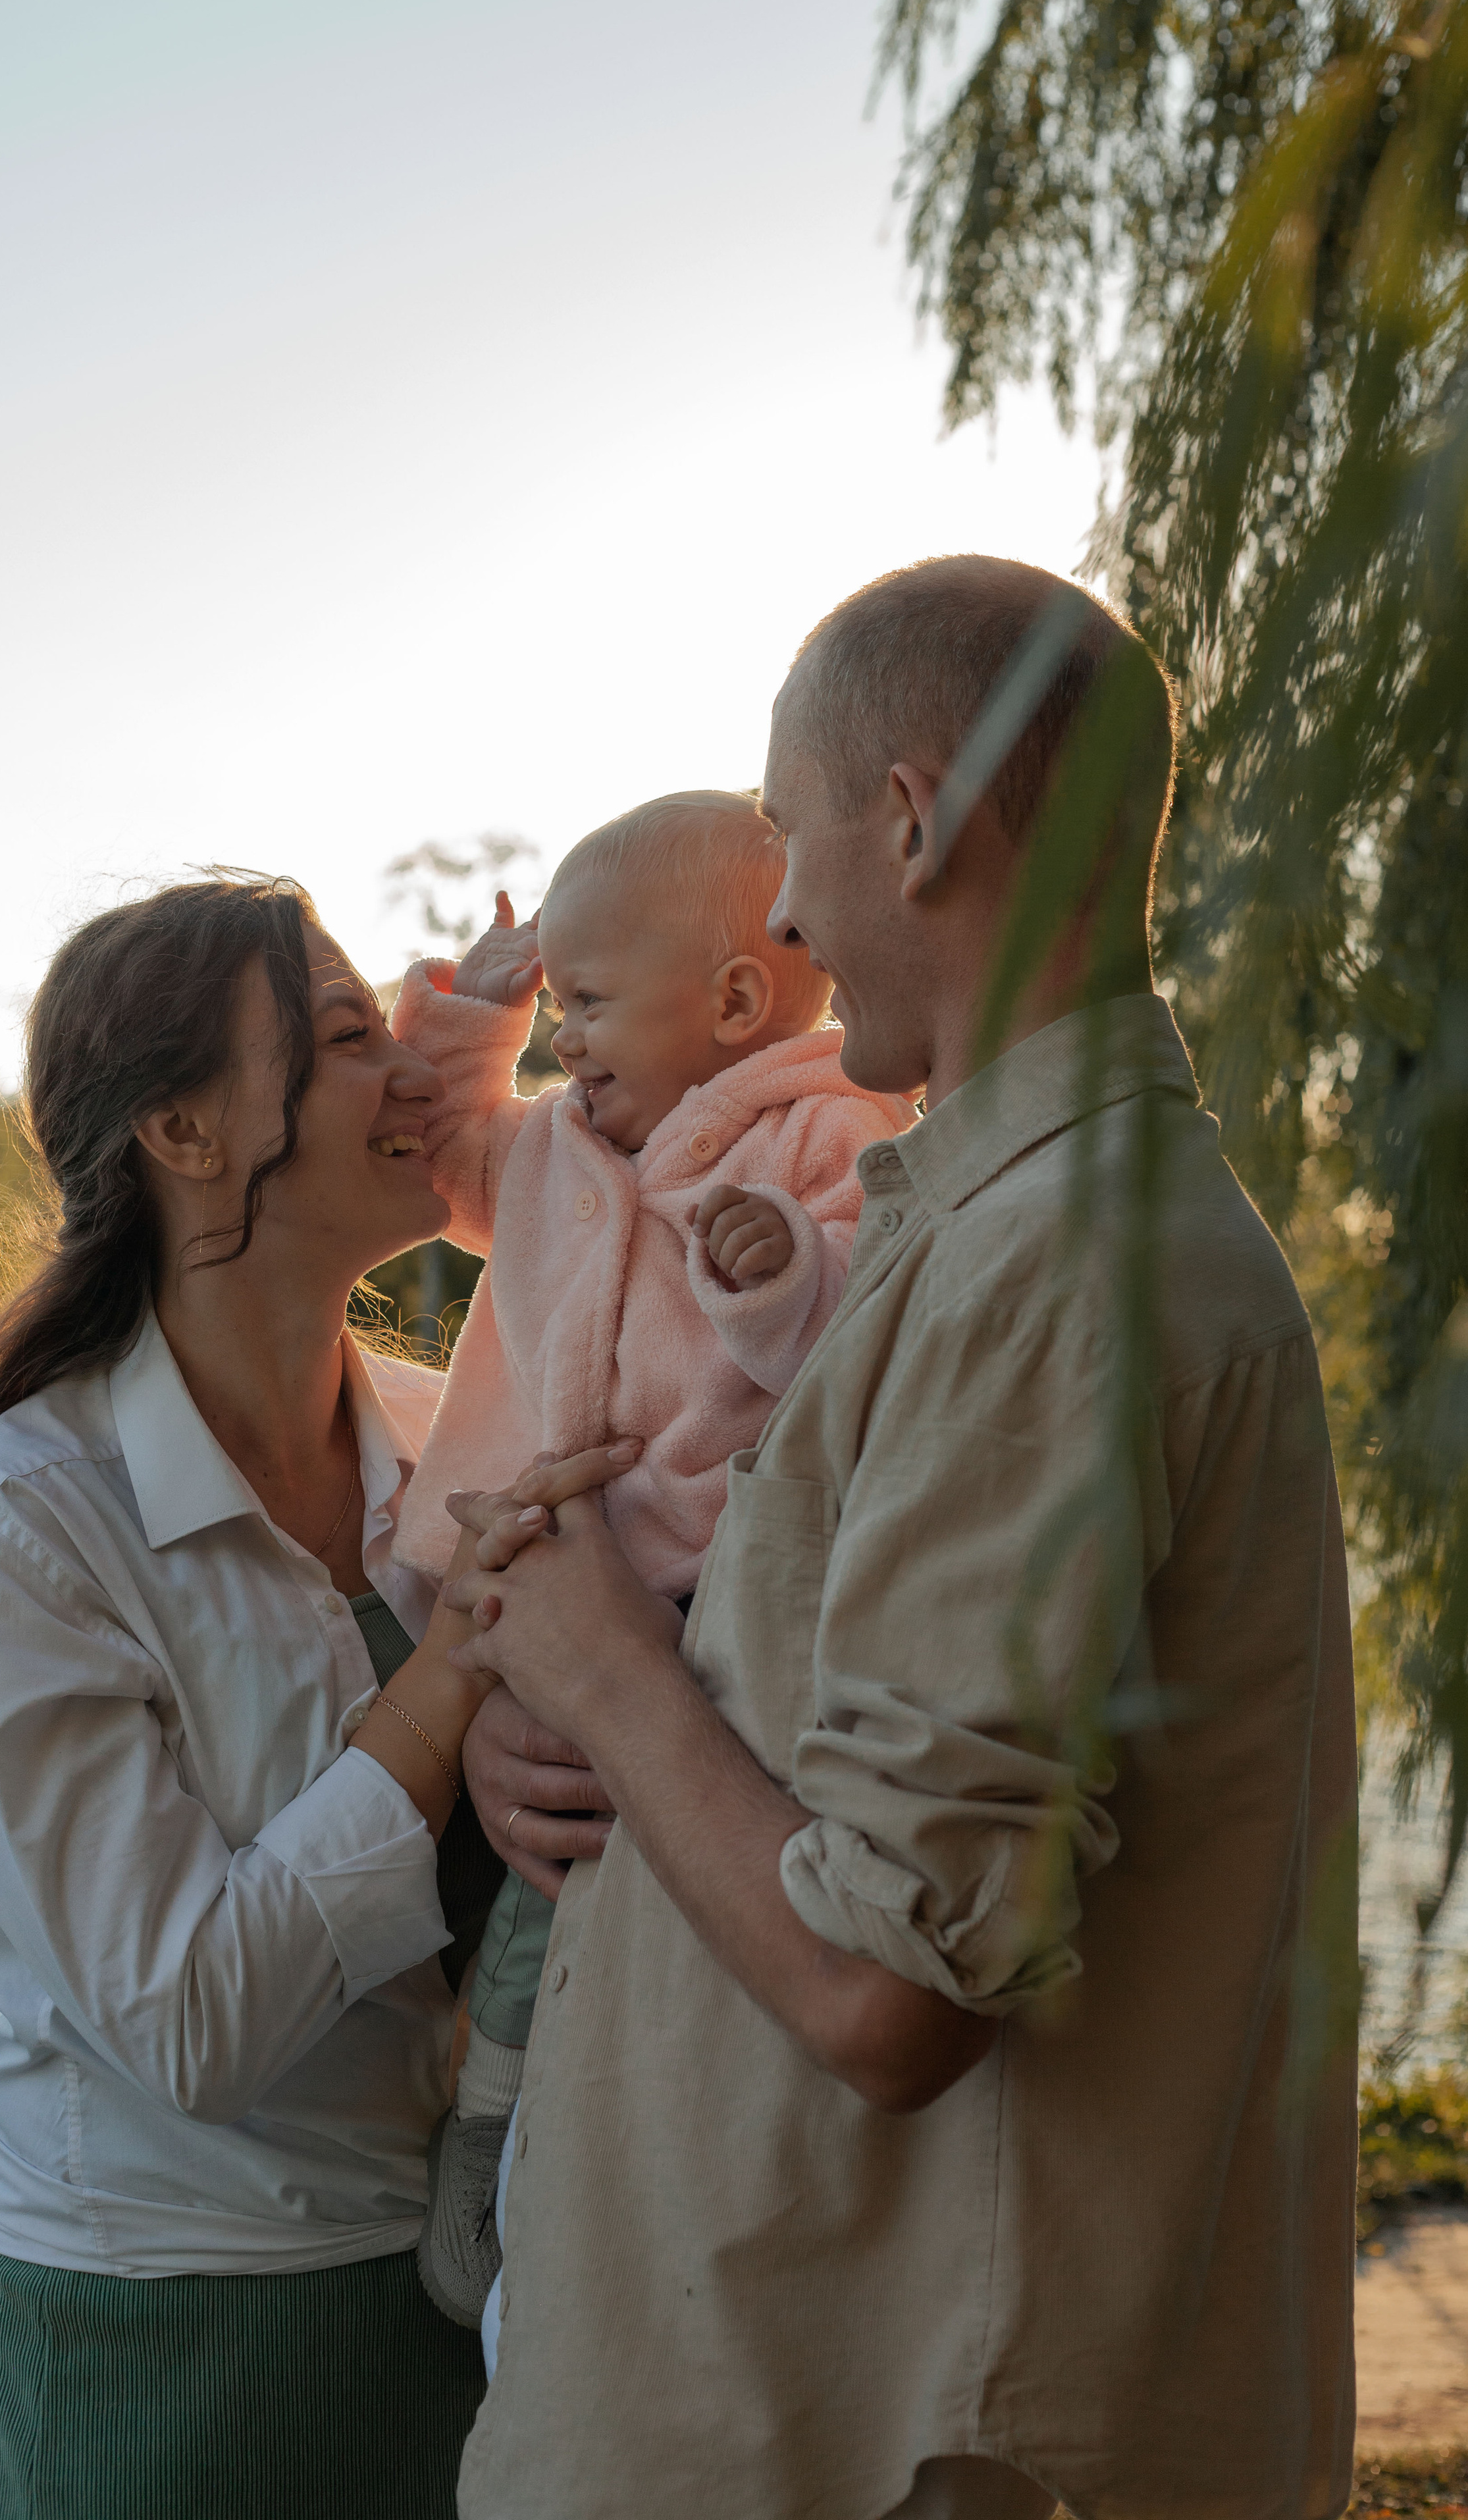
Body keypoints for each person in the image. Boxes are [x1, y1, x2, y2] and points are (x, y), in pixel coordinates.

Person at [446, 557, 1358, 2520]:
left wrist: (603, 1662)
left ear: (914, 820)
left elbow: (896, 1992)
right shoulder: (966, 1234)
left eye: (789, 833)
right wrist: (592, 1722)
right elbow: (829, 1720)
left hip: (897, 2448)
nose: (777, 908)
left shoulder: (1060, 1268)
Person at [0, 875, 635, 2520]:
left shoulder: (450, 1436)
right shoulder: (26, 1521)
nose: (415, 1080)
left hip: (470, 2294)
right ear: (185, 1131)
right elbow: (186, 2021)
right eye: (350, 1038)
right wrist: (467, 1670)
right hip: (164, 2341)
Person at [386, 793, 916, 2324]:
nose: (564, 1050)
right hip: (536, 1591)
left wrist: (781, 1271)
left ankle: (511, 2143)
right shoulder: (556, 1149)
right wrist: (474, 1024)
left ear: (735, 1001)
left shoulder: (831, 1129)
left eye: (587, 1007)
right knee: (520, 1866)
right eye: (557, 1016)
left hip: (692, 1591)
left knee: (593, 1882)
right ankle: (485, 2123)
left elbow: (862, 1339)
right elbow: (441, 1150)